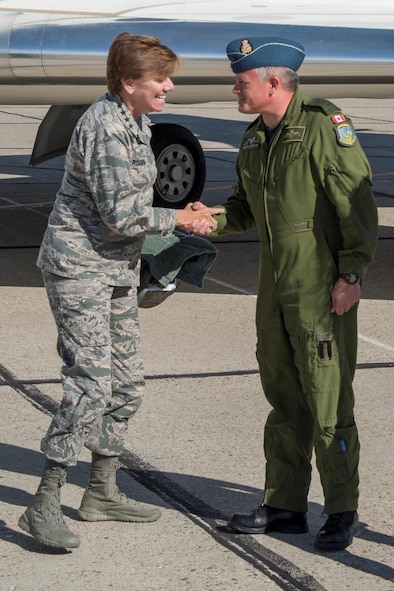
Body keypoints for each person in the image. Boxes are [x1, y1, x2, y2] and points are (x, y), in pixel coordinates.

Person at [18, 32, 223, 550]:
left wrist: (183, 215)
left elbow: (135, 205)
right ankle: (43, 503)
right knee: (89, 384)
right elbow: (122, 214)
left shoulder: (136, 119)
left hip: (116, 268)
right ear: (129, 82)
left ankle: (102, 492)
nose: (169, 86)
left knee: (126, 384)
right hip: (79, 268)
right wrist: (179, 218)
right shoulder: (105, 126)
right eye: (160, 78)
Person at [198, 36, 378, 551]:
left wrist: (351, 275)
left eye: (242, 80)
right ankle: (284, 505)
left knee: (327, 402)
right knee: (283, 400)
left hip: (320, 289)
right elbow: (243, 209)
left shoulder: (324, 125)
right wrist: (207, 219)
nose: (236, 87)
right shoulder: (254, 139)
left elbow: (356, 205)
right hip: (273, 292)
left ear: (273, 83)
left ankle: (342, 510)